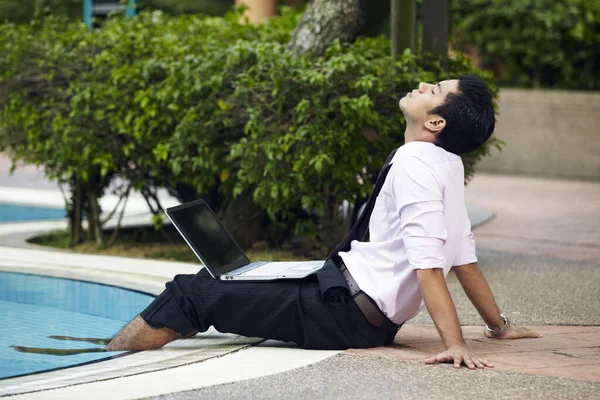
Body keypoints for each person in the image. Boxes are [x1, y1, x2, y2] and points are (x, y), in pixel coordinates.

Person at [107, 76, 541, 369]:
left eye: (436, 89)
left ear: (435, 121)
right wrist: (498, 329)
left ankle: (106, 358)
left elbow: (430, 264)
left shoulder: (415, 161)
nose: (424, 83)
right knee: (228, 277)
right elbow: (464, 260)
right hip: (350, 301)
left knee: (191, 293)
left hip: (341, 312)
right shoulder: (448, 164)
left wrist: (455, 346)